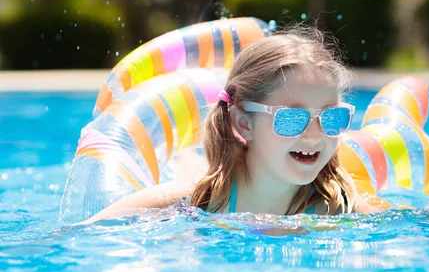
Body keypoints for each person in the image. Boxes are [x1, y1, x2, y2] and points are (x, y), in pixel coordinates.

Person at [80, 28, 387, 224]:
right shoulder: (195, 204)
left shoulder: (336, 208)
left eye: (332, 117)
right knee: (190, 166)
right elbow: (79, 237)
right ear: (244, 122)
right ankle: (184, 158)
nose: (314, 134)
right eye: (291, 118)